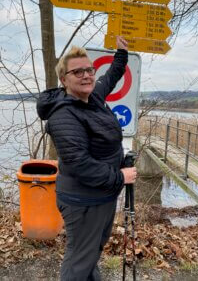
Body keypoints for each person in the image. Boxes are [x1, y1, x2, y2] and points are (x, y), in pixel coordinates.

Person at [37, 36, 137, 281]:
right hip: (83, 201)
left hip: (101, 195)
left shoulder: (92, 98)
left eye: (89, 70)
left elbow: (111, 77)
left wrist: (121, 52)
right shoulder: (63, 116)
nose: (86, 75)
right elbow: (80, 164)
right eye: (78, 71)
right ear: (64, 79)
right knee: (80, 259)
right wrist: (119, 176)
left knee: (90, 253)